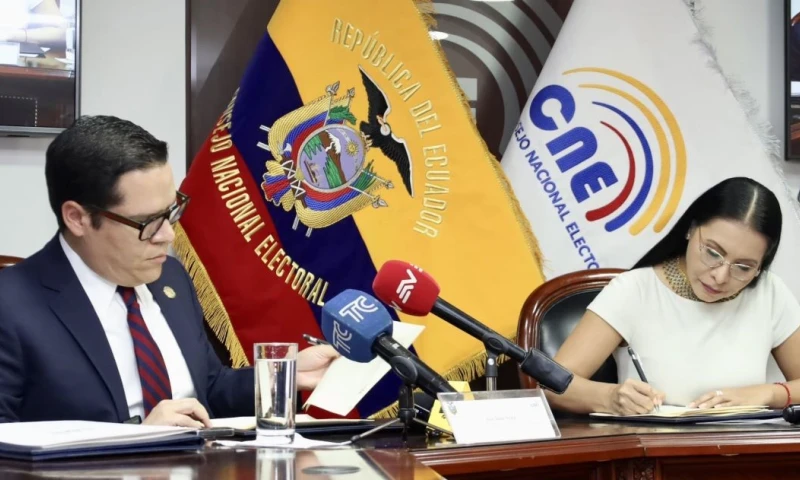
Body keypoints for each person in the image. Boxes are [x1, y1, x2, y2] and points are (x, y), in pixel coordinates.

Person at [0, 115, 339, 427]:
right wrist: (133, 443)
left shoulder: (170, 278)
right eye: (147, 222)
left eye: (171, 212)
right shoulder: (12, 305)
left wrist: (283, 375)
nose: (167, 235)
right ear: (78, 218)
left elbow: (208, 388)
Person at [547, 177, 800, 415]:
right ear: (691, 229)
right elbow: (551, 385)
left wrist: (768, 394)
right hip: (656, 455)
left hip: (745, 455)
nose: (721, 276)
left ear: (761, 266)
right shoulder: (634, 290)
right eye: (712, 253)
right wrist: (610, 397)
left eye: (744, 267)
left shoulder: (770, 292)